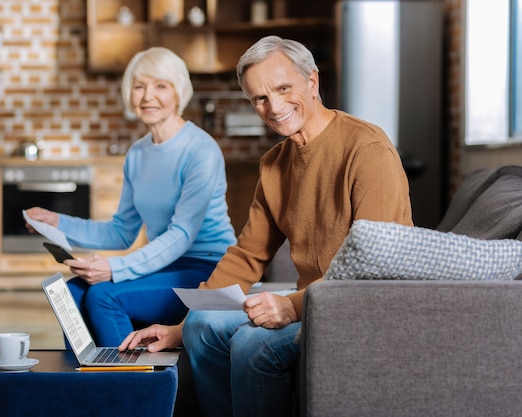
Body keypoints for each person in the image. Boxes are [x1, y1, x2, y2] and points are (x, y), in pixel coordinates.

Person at [120, 36, 413, 417]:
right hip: (312, 300)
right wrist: (181, 326)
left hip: (363, 305)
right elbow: (247, 254)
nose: (273, 107)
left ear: (312, 81)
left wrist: (291, 306)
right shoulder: (276, 163)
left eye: (283, 88)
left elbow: (376, 267)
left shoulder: (366, 148)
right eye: (259, 98)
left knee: (252, 345)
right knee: (201, 327)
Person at [26, 47, 236, 346]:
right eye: (139, 86)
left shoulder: (201, 150)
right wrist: (57, 222)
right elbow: (121, 232)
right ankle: (87, 383)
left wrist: (114, 268)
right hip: (164, 265)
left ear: (179, 92)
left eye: (160, 86)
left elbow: (182, 234)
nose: (148, 96)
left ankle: (132, 387)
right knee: (71, 293)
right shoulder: (137, 154)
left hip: (208, 267)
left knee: (104, 295)